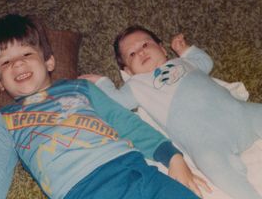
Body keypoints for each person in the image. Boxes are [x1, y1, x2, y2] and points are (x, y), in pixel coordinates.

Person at [0, 15, 204, 199]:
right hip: (80, 190)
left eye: (27, 53)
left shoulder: (79, 88)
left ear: (49, 61)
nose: (18, 63)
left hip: (135, 170)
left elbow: (124, 121)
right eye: (6, 62)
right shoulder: (5, 119)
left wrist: (172, 157)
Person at [79, 25, 262, 199]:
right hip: (206, 141)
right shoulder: (136, 85)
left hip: (238, 113)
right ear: (128, 71)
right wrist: (102, 82)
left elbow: (205, 63)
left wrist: (186, 50)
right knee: (213, 164)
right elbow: (117, 102)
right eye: (132, 54)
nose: (141, 52)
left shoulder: (182, 62)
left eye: (145, 44)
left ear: (163, 49)